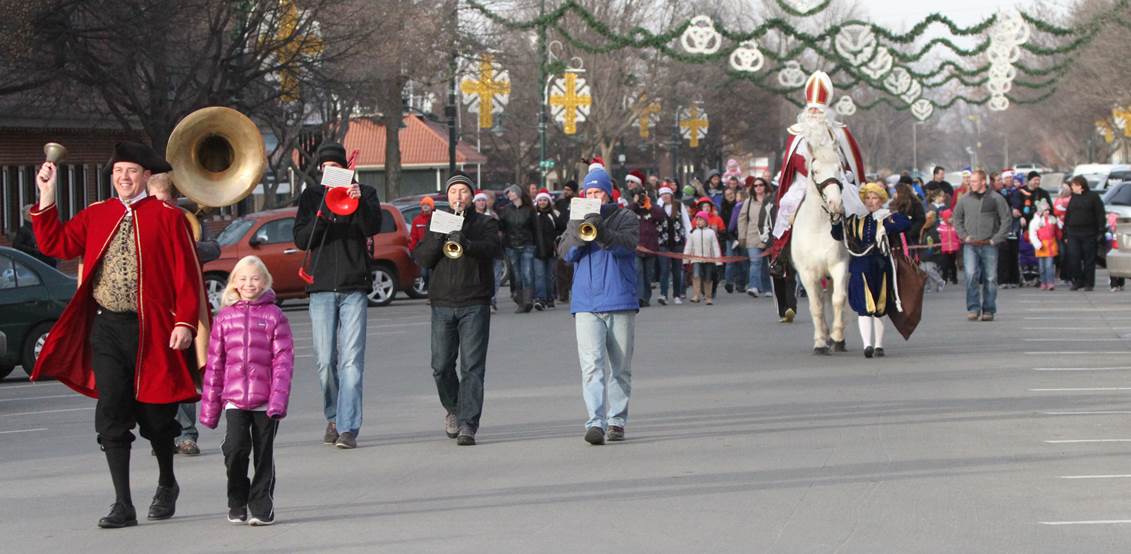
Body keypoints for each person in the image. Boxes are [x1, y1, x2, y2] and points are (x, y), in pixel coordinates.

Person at [30, 141, 202, 528]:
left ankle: (167, 482)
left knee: (157, 418)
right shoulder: (97, 214)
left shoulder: (166, 216)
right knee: (111, 413)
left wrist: (185, 323)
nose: (124, 178)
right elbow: (53, 243)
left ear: (145, 176)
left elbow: (186, 275)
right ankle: (123, 503)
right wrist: (47, 193)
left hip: (154, 329)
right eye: (118, 172)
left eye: (131, 171)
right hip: (107, 328)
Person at [292, 142, 383, 449]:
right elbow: (303, 239)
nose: (332, 172)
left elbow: (372, 227)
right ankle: (333, 415)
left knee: (352, 361)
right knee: (324, 360)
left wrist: (358, 203)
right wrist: (324, 212)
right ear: (321, 170)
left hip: (354, 285)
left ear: (345, 169)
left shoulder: (365, 192)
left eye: (338, 168)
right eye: (327, 168)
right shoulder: (311, 197)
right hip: (320, 287)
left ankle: (348, 427)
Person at [199, 256, 293, 525]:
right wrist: (210, 408)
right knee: (236, 449)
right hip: (235, 400)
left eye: (255, 278)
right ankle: (236, 500)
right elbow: (215, 365)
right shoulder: (225, 319)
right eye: (243, 278)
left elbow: (284, 361)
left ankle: (262, 506)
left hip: (266, 401)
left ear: (264, 282)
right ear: (234, 284)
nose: (249, 283)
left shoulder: (275, 316)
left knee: (264, 454)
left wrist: (278, 399)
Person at [413, 174, 501, 446]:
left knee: (472, 367)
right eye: (454, 192)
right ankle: (453, 407)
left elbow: (493, 249)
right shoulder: (436, 221)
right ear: (448, 196)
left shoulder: (485, 222)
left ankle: (468, 424)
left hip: (474, 301)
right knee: (440, 366)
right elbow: (423, 258)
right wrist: (440, 235)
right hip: (442, 303)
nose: (458, 197)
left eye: (463, 191)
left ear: (472, 196)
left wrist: (466, 242)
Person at [557, 165, 639, 445]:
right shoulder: (575, 218)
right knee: (591, 366)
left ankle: (616, 420)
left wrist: (601, 230)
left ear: (608, 194)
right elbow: (565, 254)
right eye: (589, 192)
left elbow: (627, 246)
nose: (593, 196)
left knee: (620, 367)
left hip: (619, 299)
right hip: (586, 303)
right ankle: (595, 421)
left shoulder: (625, 216)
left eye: (598, 192)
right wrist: (581, 232)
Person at [147, 172, 220, 457]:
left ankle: (187, 435)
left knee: (184, 370)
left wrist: (184, 244)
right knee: (159, 373)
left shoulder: (189, 217)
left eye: (163, 200)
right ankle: (163, 433)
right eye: (153, 200)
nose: (159, 206)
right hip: (156, 305)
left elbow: (214, 248)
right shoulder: (144, 220)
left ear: (175, 199)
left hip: (186, 304)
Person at [769, 71, 866, 264]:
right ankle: (782, 254)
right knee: (787, 206)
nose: (814, 114)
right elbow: (791, 160)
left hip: (835, 179)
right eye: (811, 110)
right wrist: (809, 168)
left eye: (818, 110)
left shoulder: (839, 132)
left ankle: (857, 247)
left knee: (855, 206)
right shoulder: (796, 133)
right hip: (804, 182)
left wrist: (840, 171)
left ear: (826, 111)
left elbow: (851, 160)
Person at [831, 182, 911, 358]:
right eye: (867, 198)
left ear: (881, 200)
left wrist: (888, 221)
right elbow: (837, 234)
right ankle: (867, 345)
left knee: (880, 306)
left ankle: (878, 345)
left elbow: (905, 224)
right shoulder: (854, 219)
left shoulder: (886, 216)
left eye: (874, 198)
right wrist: (836, 218)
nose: (870, 201)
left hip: (881, 265)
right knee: (864, 306)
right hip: (860, 265)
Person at [952, 169, 1011, 321]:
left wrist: (996, 239)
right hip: (970, 245)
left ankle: (989, 309)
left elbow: (1006, 220)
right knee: (971, 275)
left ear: (983, 182)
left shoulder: (996, 198)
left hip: (989, 244)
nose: (970, 184)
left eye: (974, 181)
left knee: (990, 278)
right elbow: (956, 219)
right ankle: (973, 308)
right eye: (970, 181)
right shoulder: (964, 199)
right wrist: (964, 236)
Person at [1062, 175, 1107, 291]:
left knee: (1089, 259)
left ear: (1080, 185)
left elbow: (1100, 214)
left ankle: (1089, 283)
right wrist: (1065, 233)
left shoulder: (1093, 197)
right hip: (1073, 233)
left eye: (1073, 185)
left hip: (1089, 233)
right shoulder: (1074, 197)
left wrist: (1101, 230)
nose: (1071, 187)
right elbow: (1068, 216)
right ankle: (1078, 280)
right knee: (1074, 258)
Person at [499, 184, 536, 313]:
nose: (509, 194)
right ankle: (520, 300)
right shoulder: (506, 210)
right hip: (511, 246)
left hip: (527, 245)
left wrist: (538, 245)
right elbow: (502, 227)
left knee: (527, 273)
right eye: (508, 193)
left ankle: (528, 301)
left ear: (518, 193)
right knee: (516, 275)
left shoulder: (529, 210)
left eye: (512, 192)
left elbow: (535, 229)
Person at [737, 177, 774, 297]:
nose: (758, 187)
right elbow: (741, 219)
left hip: (768, 237)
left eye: (761, 185)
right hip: (752, 236)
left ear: (765, 186)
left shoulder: (771, 200)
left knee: (766, 264)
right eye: (755, 185)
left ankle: (768, 288)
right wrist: (742, 236)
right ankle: (753, 287)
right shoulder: (748, 202)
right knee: (755, 262)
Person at [656, 182, 690, 305]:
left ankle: (677, 294)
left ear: (671, 195)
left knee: (677, 270)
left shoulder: (679, 206)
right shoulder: (658, 208)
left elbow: (686, 223)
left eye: (667, 194)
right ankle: (663, 294)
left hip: (677, 242)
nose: (665, 196)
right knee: (664, 270)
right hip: (663, 243)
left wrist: (689, 239)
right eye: (662, 194)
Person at [532, 188, 564, 310]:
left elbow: (562, 228)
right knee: (539, 275)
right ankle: (541, 298)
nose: (542, 202)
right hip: (537, 250)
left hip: (551, 249)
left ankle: (550, 297)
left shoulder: (554, 214)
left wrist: (557, 240)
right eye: (540, 200)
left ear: (549, 201)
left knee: (550, 276)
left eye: (545, 200)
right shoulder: (534, 215)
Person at [632, 187, 664, 307]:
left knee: (647, 274)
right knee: (638, 271)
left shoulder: (651, 209)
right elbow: (625, 213)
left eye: (642, 196)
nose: (641, 199)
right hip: (636, 247)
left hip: (650, 247)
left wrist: (649, 204)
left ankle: (646, 298)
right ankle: (639, 297)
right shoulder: (633, 209)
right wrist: (634, 203)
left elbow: (661, 216)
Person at [684, 211, 723, 305]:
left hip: (709, 259)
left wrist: (718, 261)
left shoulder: (711, 233)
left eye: (701, 219)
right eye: (697, 219)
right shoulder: (693, 233)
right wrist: (685, 259)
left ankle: (708, 297)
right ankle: (696, 295)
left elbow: (715, 247)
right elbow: (688, 247)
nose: (698, 221)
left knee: (708, 277)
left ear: (706, 221)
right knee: (696, 275)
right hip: (696, 259)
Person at [1028, 199, 1061, 291]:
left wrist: (1060, 236)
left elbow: (1057, 232)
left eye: (1048, 210)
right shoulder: (1035, 221)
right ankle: (1043, 282)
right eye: (1045, 210)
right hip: (1041, 246)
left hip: (1050, 245)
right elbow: (1032, 234)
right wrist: (1037, 244)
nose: (1047, 212)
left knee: (1049, 266)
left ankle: (1050, 283)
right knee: (1042, 267)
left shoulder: (1052, 220)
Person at [555, 181, 578, 304]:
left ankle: (575, 292)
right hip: (563, 237)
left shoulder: (579, 202)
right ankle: (563, 295)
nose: (566, 192)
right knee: (561, 266)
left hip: (575, 237)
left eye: (568, 190)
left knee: (573, 267)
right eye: (565, 189)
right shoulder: (559, 203)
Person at [889, 183, 925, 247]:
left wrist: (910, 233)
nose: (893, 194)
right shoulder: (893, 204)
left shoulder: (915, 203)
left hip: (912, 238)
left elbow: (920, 220)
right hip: (899, 238)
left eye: (895, 192)